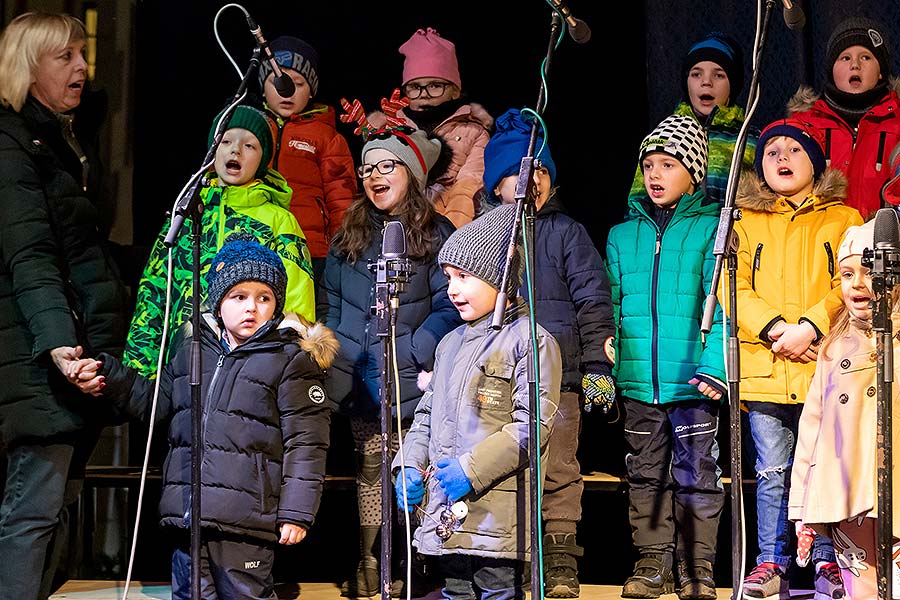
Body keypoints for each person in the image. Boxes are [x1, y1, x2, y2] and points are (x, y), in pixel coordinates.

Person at [66, 232, 337, 600]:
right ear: (218, 301)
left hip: (245, 519)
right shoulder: (193, 347)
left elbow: (307, 441)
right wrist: (109, 374)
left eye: (264, 298)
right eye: (238, 297)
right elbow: (158, 405)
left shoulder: (291, 358)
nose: (251, 308)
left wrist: (296, 512)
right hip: (190, 515)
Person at [0, 12, 130, 600]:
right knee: (33, 512)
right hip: (42, 361)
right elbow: (29, 256)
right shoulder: (10, 147)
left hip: (75, 359)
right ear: (27, 71)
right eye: (65, 57)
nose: (82, 67)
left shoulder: (59, 141)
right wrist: (59, 347)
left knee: (57, 510)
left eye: (83, 53)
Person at [720, 117, 863, 600]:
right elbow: (728, 284)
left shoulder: (843, 218)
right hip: (765, 366)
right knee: (772, 470)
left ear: (816, 163)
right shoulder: (742, 217)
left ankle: (827, 560)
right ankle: (770, 562)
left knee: (825, 465)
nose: (781, 158)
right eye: (771, 151)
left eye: (793, 150)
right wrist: (776, 328)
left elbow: (847, 283)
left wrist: (810, 328)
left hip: (824, 366)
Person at [393, 202, 562, 600]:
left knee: (497, 590)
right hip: (447, 513)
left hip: (496, 518)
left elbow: (532, 424)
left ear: (499, 279)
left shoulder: (530, 340)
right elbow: (426, 415)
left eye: (464, 276)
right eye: (448, 277)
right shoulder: (449, 344)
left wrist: (470, 470)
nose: (452, 288)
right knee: (456, 591)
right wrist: (409, 465)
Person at [321, 125, 463, 596]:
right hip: (362, 377)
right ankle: (369, 562)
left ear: (411, 173)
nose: (374, 176)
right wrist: (342, 354)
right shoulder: (350, 232)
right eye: (367, 168)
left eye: (387, 166)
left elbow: (450, 307)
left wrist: (411, 352)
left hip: (413, 378)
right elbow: (333, 306)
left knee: (414, 468)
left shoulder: (438, 233)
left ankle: (416, 562)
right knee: (369, 466)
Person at [481, 108, 615, 598]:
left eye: (538, 170)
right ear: (496, 183)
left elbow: (594, 299)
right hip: (496, 378)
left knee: (557, 466)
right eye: (516, 172)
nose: (528, 180)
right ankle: (507, 557)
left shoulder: (567, 233)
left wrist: (599, 367)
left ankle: (559, 558)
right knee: (501, 466)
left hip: (557, 377)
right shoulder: (484, 236)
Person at [607, 114, 727, 600]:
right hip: (638, 380)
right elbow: (610, 308)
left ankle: (697, 567)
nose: (655, 174)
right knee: (645, 473)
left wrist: (715, 365)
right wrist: (606, 371)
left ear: (694, 173)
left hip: (692, 381)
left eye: (669, 164)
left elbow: (720, 301)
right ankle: (651, 563)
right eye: (649, 165)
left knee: (697, 474)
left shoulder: (712, 227)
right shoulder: (621, 235)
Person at [123, 104, 316, 379]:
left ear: (263, 160)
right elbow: (155, 290)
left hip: (248, 371)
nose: (235, 150)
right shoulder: (187, 212)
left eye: (250, 145)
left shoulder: (278, 220)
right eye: (225, 141)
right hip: (180, 366)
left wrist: (284, 372)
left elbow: (297, 304)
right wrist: (141, 370)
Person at [787, 218, 900, 600]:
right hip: (844, 493)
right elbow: (812, 428)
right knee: (862, 591)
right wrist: (803, 506)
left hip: (894, 489)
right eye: (846, 273)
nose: (856, 283)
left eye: (869, 271)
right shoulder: (834, 345)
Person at [256, 35, 357, 297]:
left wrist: (341, 250)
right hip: (255, 245)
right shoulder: (249, 130)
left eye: (298, 84)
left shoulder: (326, 136)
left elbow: (341, 198)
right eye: (276, 83)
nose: (286, 92)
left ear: (311, 89)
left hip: (311, 252)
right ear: (262, 87)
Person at [368, 27, 493, 229]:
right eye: (415, 87)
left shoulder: (475, 132)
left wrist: (448, 237)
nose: (424, 94)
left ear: (454, 91)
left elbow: (468, 188)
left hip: (450, 233)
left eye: (435, 85)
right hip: (394, 233)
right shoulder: (390, 129)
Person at [787, 16, 900, 221]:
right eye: (845, 58)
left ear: (881, 72)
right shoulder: (803, 125)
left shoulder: (897, 121)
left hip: (883, 243)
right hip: (819, 244)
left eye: (866, 57)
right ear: (832, 70)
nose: (855, 65)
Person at [628, 31, 757, 208]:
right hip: (674, 232)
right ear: (686, 81)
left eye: (718, 75)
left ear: (732, 84)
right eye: (696, 74)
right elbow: (638, 203)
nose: (706, 82)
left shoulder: (750, 139)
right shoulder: (664, 135)